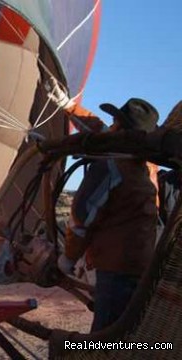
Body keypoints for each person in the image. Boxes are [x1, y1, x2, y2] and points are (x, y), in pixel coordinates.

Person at [46, 79, 160, 332]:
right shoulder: (147, 166)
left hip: (116, 271)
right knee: (127, 332)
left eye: (115, 123)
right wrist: (67, 105)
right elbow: (98, 132)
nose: (110, 126)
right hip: (140, 266)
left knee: (105, 342)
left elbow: (83, 218)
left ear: (122, 131)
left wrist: (67, 258)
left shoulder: (112, 168)